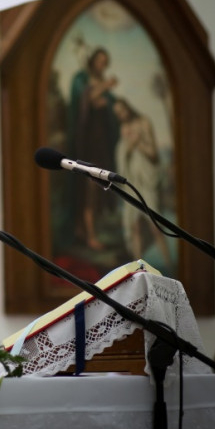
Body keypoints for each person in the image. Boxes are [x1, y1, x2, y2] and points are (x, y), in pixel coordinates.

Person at [66, 46, 120, 251]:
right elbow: (84, 99)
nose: (102, 65)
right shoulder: (82, 79)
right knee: (88, 187)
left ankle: (89, 230)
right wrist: (104, 87)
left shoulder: (98, 82)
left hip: (101, 144)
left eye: (105, 62)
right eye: (99, 60)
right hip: (87, 143)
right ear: (92, 61)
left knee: (99, 187)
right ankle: (87, 233)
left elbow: (108, 107)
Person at [112, 97, 173, 270]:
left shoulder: (144, 122)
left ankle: (169, 264)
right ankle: (137, 269)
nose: (122, 115)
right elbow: (123, 156)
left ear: (128, 107)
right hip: (132, 181)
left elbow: (153, 154)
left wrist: (137, 143)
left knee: (155, 226)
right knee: (135, 227)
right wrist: (128, 147)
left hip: (146, 181)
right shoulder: (123, 128)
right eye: (118, 114)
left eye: (122, 110)